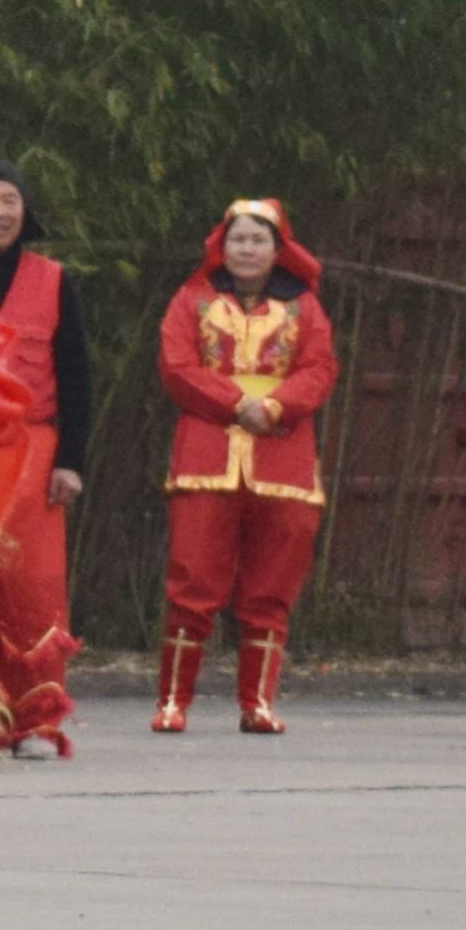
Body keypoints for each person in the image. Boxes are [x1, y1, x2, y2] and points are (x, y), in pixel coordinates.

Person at [158, 197, 336, 734]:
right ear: (222, 245)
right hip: (207, 450)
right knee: (193, 580)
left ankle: (256, 702)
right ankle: (173, 701)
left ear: (278, 249)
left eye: (259, 239)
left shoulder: (305, 307)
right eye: (238, 238)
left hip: (283, 455)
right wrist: (237, 404)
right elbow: (177, 365)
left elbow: (320, 368)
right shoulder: (191, 300)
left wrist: (276, 406)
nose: (247, 249)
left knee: (271, 585)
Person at [0, 165, 92, 758]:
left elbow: (79, 376)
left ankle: (32, 719)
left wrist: (72, 460)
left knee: (30, 584)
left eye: (10, 200)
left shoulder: (53, 280)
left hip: (32, 448)